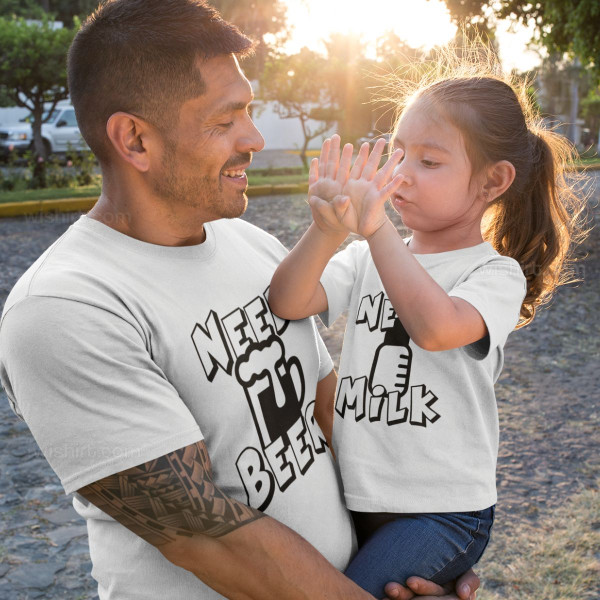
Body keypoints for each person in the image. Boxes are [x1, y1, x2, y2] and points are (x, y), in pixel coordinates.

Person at [0, 1, 481, 599]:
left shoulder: (249, 242)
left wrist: (416, 553)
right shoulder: (65, 309)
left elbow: (328, 413)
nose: (253, 137)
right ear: (135, 139)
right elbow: (205, 534)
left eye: (248, 110)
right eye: (225, 120)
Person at [269, 69, 587, 597]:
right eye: (397, 155)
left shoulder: (493, 274)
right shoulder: (368, 256)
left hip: (444, 513)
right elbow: (290, 300)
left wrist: (375, 231)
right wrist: (327, 228)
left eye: (429, 161)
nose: (403, 175)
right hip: (356, 500)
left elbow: (437, 328)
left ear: (493, 181)